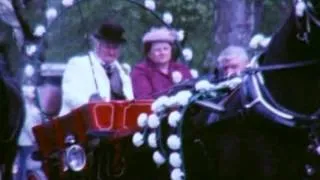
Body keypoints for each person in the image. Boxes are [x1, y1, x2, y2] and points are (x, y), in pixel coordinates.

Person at [59, 21, 133, 116]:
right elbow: (69, 96)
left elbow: (130, 101)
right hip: (81, 123)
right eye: (107, 47)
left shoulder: (122, 71)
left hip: (115, 126)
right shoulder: (77, 64)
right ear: (97, 45)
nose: (111, 52)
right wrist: (90, 102)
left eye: (115, 48)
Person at [131, 27, 192, 99]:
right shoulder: (141, 71)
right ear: (149, 53)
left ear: (171, 51)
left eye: (165, 49)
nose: (162, 53)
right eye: (157, 50)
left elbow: (192, 91)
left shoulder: (181, 68)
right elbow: (144, 99)